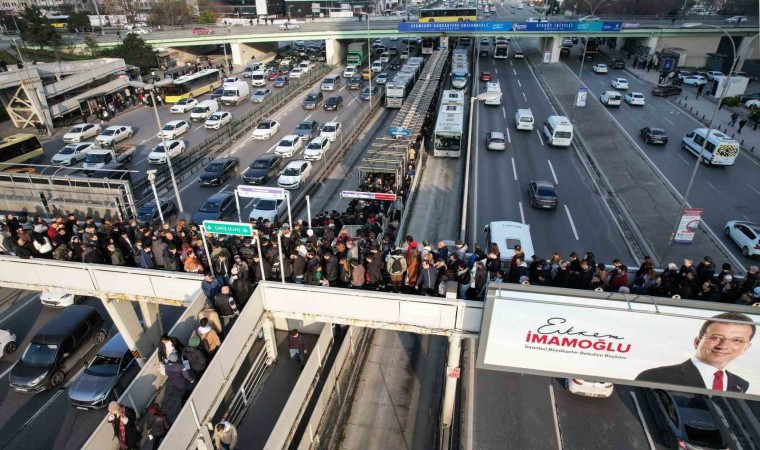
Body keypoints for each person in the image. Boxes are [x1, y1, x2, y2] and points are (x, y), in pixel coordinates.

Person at [635, 312, 754, 392]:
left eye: (737, 340)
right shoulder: (655, 377)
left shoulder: (740, 384)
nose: (723, 346)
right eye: (715, 337)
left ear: (746, 348)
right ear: (697, 342)